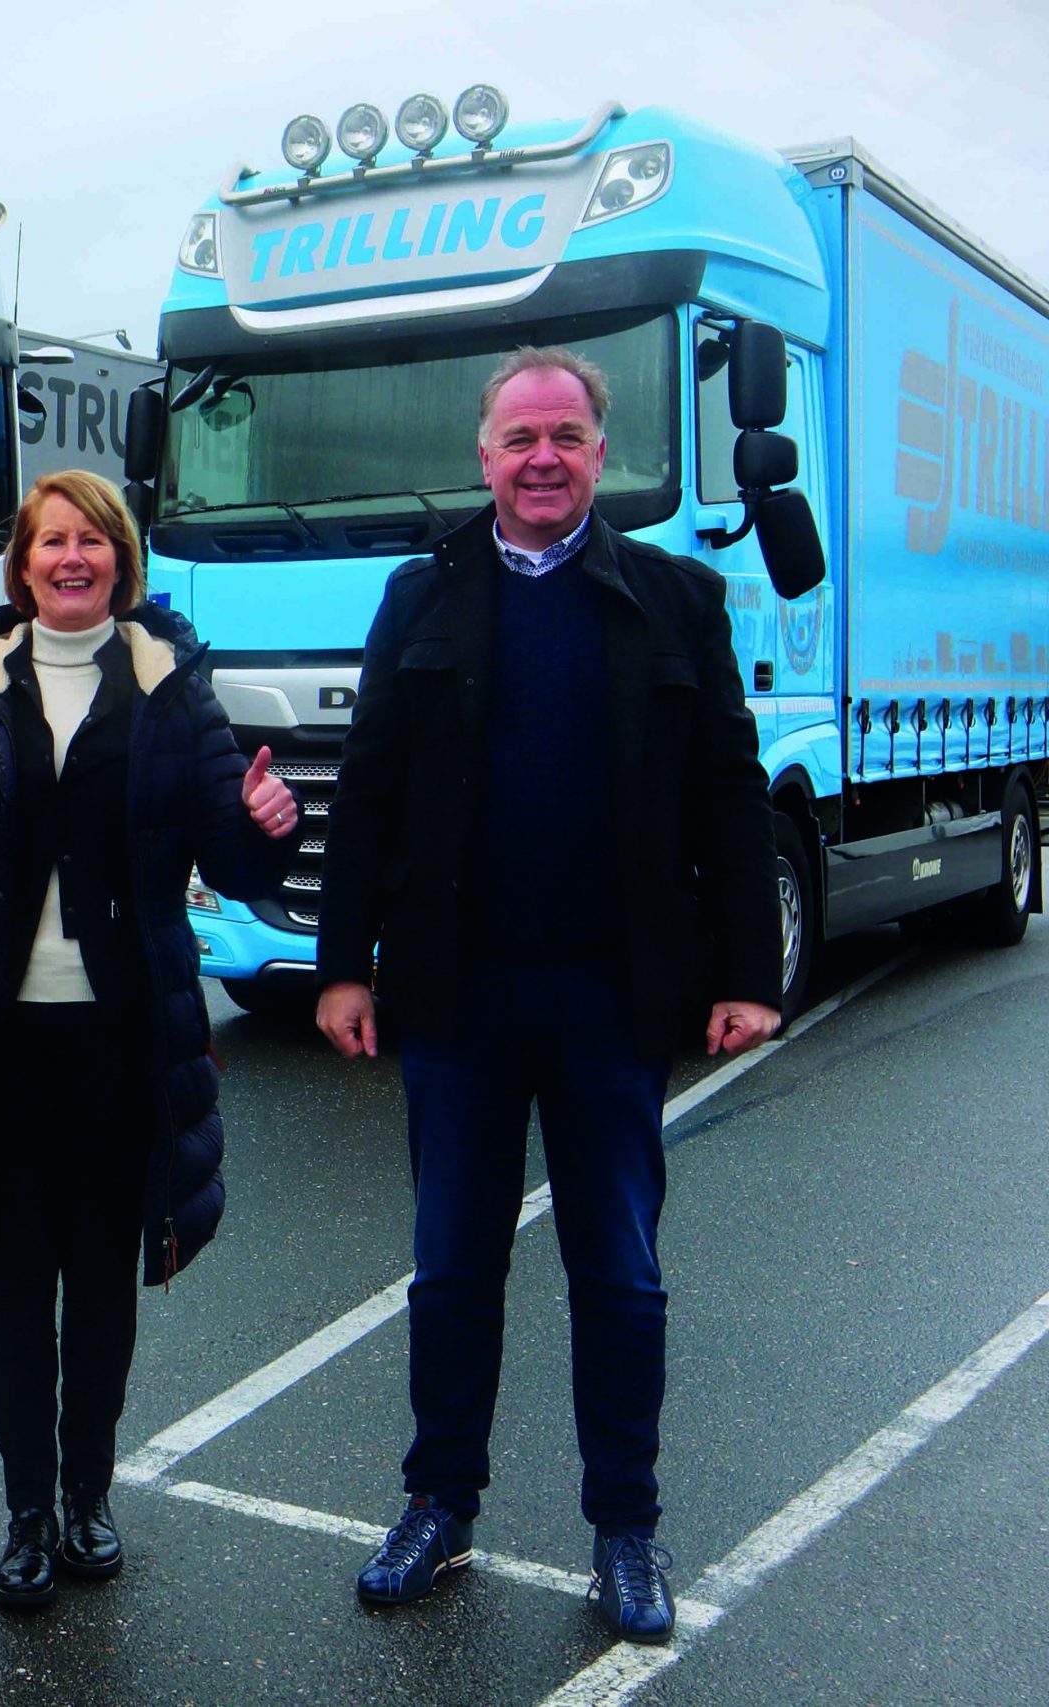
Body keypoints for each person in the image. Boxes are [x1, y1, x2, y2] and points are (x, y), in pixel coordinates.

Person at [315, 347, 783, 1644]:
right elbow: (370, 789)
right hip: (457, 1001)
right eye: (518, 437)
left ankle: (624, 1527)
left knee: (619, 1276)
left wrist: (748, 974)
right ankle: (438, 1505)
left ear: (598, 452)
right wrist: (343, 963)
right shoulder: (422, 595)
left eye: (564, 436)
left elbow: (728, 794)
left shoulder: (675, 600)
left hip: (609, 1002)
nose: (541, 459)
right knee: (452, 1271)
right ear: (483, 455)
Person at [0, 469, 301, 1611]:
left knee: (99, 1283)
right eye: (52, 541)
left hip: (122, 1038)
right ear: (23, 563)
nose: (71, 558)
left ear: (121, 559)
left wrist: (264, 824)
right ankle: (26, 1514)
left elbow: (232, 850)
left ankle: (89, 1495)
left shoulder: (169, 682)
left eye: (92, 539)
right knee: (14, 1287)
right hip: (0, 1038)